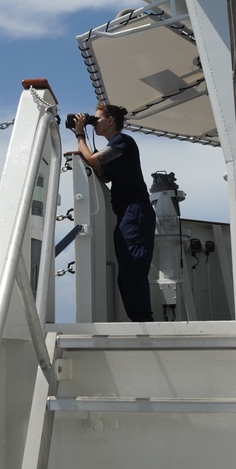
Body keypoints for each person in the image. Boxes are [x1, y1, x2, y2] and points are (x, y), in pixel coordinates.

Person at [72, 103, 155, 322]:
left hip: (134, 211)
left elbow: (90, 160)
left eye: (96, 119)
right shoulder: (114, 149)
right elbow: (104, 175)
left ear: (111, 121)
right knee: (127, 271)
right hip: (127, 212)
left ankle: (143, 320)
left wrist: (80, 133)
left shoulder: (123, 142)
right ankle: (140, 319)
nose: (94, 122)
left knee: (132, 268)